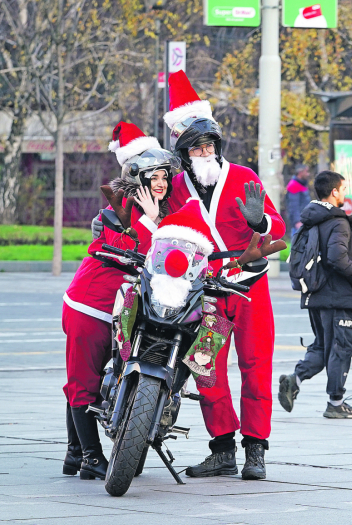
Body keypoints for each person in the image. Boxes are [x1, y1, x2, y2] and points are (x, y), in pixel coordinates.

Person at [163, 70, 286, 481]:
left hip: (249, 283)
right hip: (207, 290)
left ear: (218, 147)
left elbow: (278, 229)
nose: (204, 152)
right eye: (196, 148)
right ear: (184, 154)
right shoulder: (179, 187)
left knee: (256, 366)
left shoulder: (245, 177)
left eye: (209, 145)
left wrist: (262, 221)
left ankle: (256, 450)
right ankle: (222, 449)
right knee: (205, 367)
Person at [63, 122, 173, 480]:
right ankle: (91, 458)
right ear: (137, 176)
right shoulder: (121, 208)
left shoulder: (158, 210)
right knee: (83, 381)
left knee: (91, 378)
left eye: (164, 177)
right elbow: (133, 248)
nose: (160, 183)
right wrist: (153, 221)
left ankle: (74, 453)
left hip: (120, 309)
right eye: (153, 176)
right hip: (90, 304)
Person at [277, 170, 352, 419]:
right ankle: (336, 403)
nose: (345, 192)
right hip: (336, 295)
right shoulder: (337, 221)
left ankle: (295, 379)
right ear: (334, 191)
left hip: (315, 294)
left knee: (323, 346)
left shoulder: (311, 219)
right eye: (343, 188)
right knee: (342, 346)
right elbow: (336, 256)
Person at [286, 164, 312, 238]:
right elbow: (293, 206)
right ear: (301, 172)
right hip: (300, 222)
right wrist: (297, 221)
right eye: (306, 172)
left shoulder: (302, 184)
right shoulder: (294, 185)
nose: (308, 174)